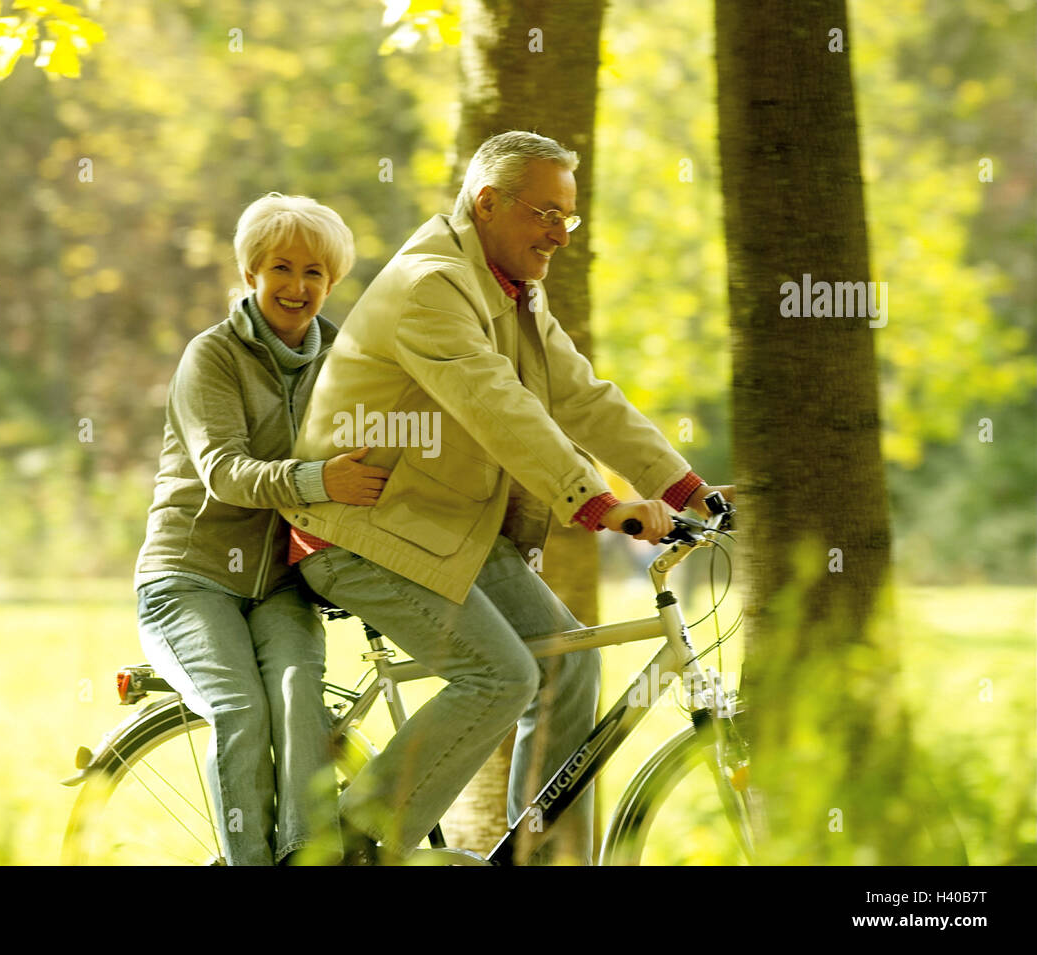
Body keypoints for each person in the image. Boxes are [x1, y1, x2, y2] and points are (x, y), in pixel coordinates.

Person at [283, 131, 734, 864]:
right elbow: (497, 405)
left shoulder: (516, 292)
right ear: (487, 203)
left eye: (568, 217)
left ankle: (539, 856)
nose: (559, 234)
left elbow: (584, 397)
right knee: (503, 673)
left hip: (440, 531)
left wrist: (688, 488)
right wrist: (597, 501)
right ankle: (351, 846)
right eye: (544, 213)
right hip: (358, 529)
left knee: (569, 661)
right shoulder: (431, 285)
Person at [133, 193, 390, 865]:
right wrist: (319, 482)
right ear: (251, 273)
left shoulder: (345, 359)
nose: (297, 286)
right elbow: (224, 470)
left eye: (314, 273)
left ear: (331, 284)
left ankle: (307, 859)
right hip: (189, 577)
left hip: (282, 579)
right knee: (240, 708)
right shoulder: (210, 357)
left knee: (301, 701)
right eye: (281, 267)